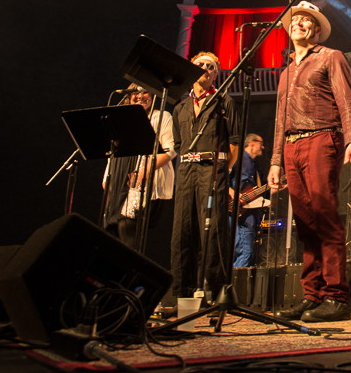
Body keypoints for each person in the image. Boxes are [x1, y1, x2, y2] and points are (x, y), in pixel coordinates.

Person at [267, 1, 351, 323]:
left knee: (325, 216)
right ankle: (313, 295)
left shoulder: (330, 56)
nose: (300, 23)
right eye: (296, 19)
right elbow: (280, 120)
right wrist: (275, 161)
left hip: (322, 139)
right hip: (292, 147)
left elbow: (346, 98)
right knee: (305, 223)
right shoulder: (286, 73)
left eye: (307, 20)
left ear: (317, 29)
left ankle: (337, 296)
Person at [171, 51, 240, 301]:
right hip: (186, 171)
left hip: (213, 171)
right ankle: (182, 293)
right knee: (182, 230)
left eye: (210, 66)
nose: (204, 69)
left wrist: (223, 169)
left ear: (216, 74)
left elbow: (234, 141)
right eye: (199, 65)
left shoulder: (225, 102)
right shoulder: (180, 105)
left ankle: (217, 291)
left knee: (214, 230)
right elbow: (178, 144)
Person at [102, 84, 176, 249]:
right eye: (136, 92)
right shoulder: (121, 121)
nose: (141, 96)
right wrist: (108, 180)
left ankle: (132, 271)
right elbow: (113, 156)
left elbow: (170, 151)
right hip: (120, 186)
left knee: (127, 226)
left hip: (147, 185)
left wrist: (143, 172)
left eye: (146, 92)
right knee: (116, 232)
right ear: (128, 96)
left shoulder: (161, 117)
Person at [231, 134, 265, 268]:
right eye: (260, 143)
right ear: (251, 143)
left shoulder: (253, 165)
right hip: (242, 214)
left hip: (248, 214)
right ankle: (236, 285)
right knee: (244, 254)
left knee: (246, 254)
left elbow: (260, 187)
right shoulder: (239, 159)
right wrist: (233, 193)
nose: (262, 147)